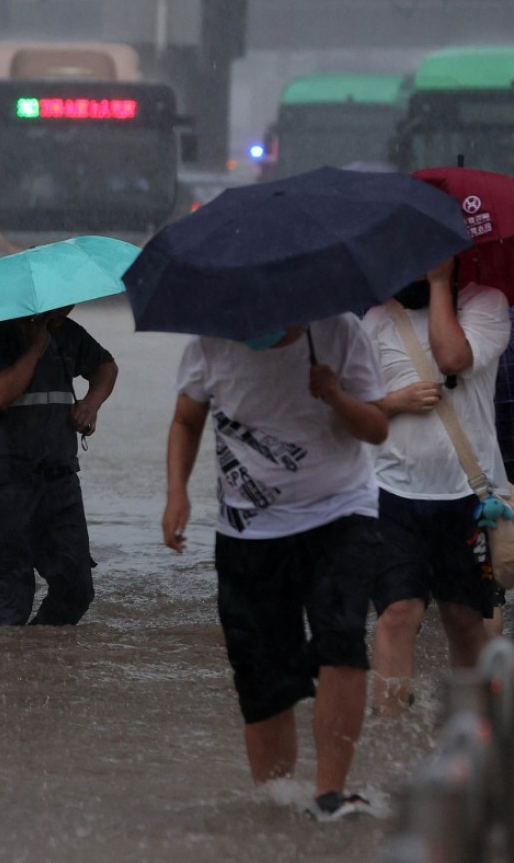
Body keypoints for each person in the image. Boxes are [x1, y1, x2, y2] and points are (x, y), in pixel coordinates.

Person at [162, 317, 388, 821]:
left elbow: (376, 427)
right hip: (250, 531)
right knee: (263, 675)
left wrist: (333, 393)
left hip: (340, 511)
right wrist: (176, 494)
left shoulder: (341, 332)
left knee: (341, 639)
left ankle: (330, 795)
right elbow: (186, 420)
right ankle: (278, 804)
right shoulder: (211, 341)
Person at [360, 260, 511, 715]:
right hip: (393, 493)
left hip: (469, 496)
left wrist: (441, 283)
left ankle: (473, 732)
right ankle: (392, 732)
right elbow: (350, 411)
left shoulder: (486, 304)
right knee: (397, 615)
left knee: (465, 620)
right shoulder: (378, 319)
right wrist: (394, 402)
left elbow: (453, 359)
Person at [0, 305, 118, 626]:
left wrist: (91, 405)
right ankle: (10, 665)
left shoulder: (68, 333)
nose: (67, 310)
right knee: (8, 604)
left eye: (69, 306)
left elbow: (106, 366)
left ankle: (43, 661)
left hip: (60, 482)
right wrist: (36, 346)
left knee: (76, 588)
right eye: (60, 307)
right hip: (7, 484)